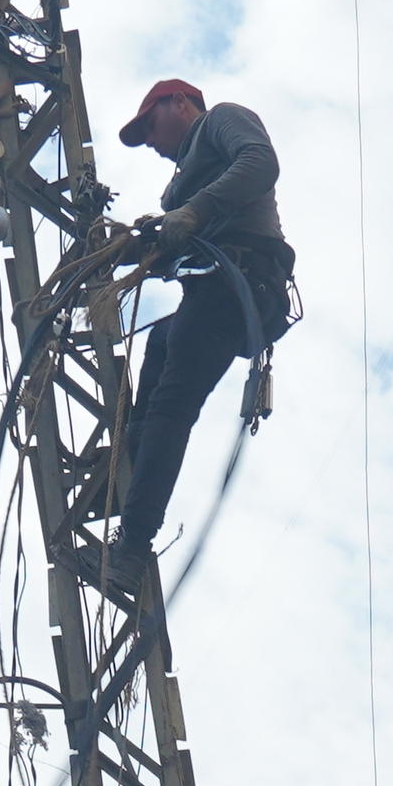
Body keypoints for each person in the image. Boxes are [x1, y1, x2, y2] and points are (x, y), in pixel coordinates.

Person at [72, 77, 297, 594]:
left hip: (239, 284)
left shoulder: (221, 120)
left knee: (172, 406)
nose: (150, 141)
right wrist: (120, 247)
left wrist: (196, 211)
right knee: (161, 348)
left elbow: (261, 163)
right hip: (212, 291)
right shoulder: (176, 191)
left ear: (179, 103)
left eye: (150, 126)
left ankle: (132, 549)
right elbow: (168, 248)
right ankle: (128, 465)